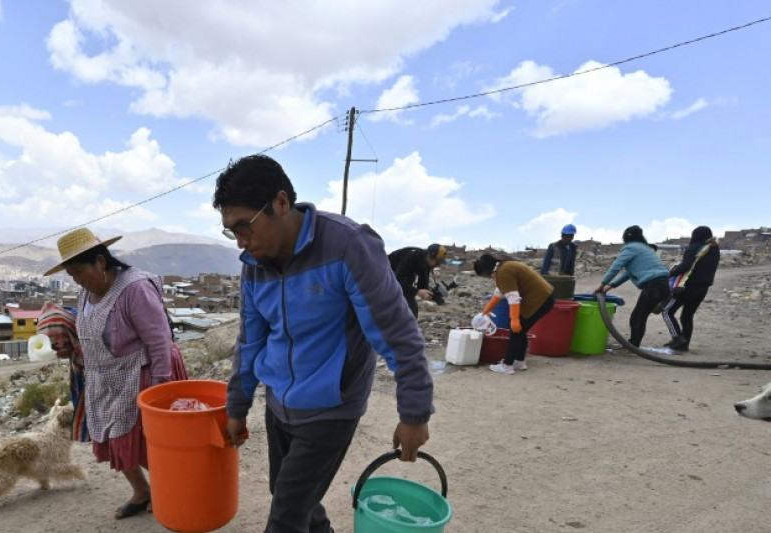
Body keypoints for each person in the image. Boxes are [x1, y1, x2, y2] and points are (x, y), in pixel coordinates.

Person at [213, 154, 434, 533]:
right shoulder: (254, 265)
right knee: (289, 494)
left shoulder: (347, 246)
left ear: (281, 203)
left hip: (333, 407)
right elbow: (250, 340)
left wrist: (414, 413)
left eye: (244, 226)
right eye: (231, 231)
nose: (240, 242)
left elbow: (396, 332)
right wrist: (238, 405)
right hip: (280, 403)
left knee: (286, 515)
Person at [43, 227, 188, 520]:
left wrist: (161, 392)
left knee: (149, 443)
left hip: (144, 374)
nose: (77, 280)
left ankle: (175, 491)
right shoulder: (87, 293)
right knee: (111, 439)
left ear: (99, 261)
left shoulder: (134, 289)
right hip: (105, 380)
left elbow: (159, 342)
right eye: (71, 274)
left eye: (79, 271)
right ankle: (142, 490)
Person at [473, 253, 554, 374]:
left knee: (516, 331)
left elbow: (513, 297)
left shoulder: (503, 272)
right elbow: (499, 293)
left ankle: (507, 365)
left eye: (484, 275)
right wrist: (486, 311)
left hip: (539, 300)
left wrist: (514, 319)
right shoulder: (504, 268)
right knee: (521, 330)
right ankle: (519, 362)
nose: (487, 278)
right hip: (544, 297)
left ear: (486, 271)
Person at [595, 225, 670, 349]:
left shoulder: (630, 248)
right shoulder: (644, 248)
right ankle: (633, 344)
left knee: (637, 317)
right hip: (662, 284)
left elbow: (615, 267)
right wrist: (609, 287)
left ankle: (633, 346)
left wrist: (601, 285)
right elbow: (627, 274)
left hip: (653, 285)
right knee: (639, 316)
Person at [36, 301, 89, 442]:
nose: (57, 354)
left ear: (69, 337)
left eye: (57, 347)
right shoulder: (78, 358)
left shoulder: (93, 357)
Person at [661, 226, 720, 351]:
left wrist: (671, 272)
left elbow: (686, 266)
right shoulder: (714, 249)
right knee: (687, 316)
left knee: (667, 311)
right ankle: (684, 344)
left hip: (685, 287)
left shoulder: (693, 248)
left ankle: (677, 338)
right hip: (702, 289)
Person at [387, 243, 447, 317]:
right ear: (429, 256)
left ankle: (408, 326)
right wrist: (417, 292)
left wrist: (433, 295)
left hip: (405, 276)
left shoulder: (427, 264)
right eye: (437, 262)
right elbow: (398, 281)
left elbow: (422, 286)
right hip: (385, 272)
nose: (438, 265)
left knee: (412, 309)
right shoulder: (412, 257)